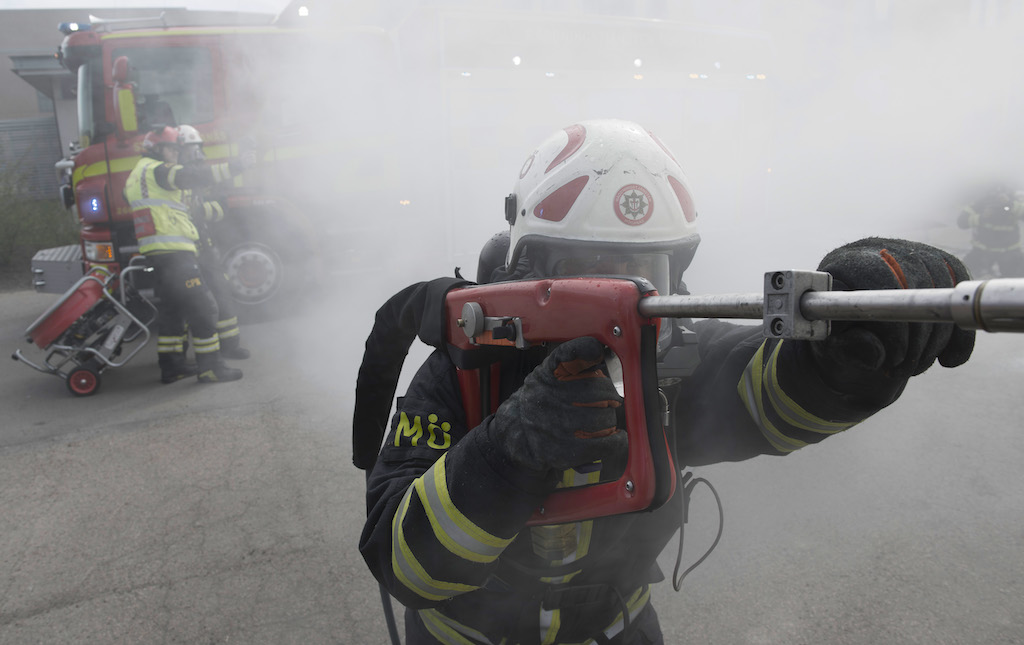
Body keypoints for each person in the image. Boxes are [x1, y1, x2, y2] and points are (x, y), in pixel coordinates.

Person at [357, 119, 976, 644]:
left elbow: (770, 398)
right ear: (528, 270)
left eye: (642, 273)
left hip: (618, 627)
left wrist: (842, 355)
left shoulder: (671, 362)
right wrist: (504, 453)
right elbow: (404, 566)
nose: (617, 304)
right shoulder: (465, 372)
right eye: (588, 273)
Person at [124, 125, 250, 384]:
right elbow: (191, 176)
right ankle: (211, 368)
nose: (176, 154)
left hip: (159, 253)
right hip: (174, 253)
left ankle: (173, 366)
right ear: (158, 149)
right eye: (172, 149)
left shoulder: (137, 174)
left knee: (173, 311)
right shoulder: (159, 170)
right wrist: (235, 166)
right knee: (204, 308)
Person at [176, 125, 250, 360]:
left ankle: (230, 345)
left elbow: (222, 207)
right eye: (189, 150)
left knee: (221, 292)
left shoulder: (206, 176)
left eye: (196, 148)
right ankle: (182, 355)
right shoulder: (174, 177)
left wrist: (198, 211)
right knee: (189, 303)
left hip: (205, 246)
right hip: (182, 250)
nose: (194, 154)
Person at [957, 182, 1024, 278]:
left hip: (1010, 252)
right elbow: (961, 222)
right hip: (983, 251)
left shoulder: (1013, 202)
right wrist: (981, 217)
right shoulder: (981, 203)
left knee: (1016, 278)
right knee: (965, 273)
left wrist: (1010, 204)